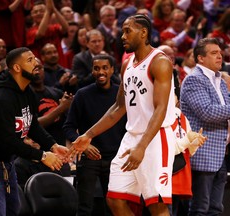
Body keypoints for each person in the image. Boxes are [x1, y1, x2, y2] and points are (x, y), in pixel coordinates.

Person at [69, 14, 178, 216]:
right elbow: (119, 107)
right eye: (122, 31)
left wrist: (142, 146)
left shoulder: (160, 62)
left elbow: (161, 109)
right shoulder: (127, 65)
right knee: (114, 200)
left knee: (156, 205)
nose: (123, 36)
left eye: (128, 31)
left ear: (143, 32)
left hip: (155, 138)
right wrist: (88, 134)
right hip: (131, 138)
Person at [0, 47, 68, 215]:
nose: (36, 63)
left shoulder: (26, 91)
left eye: (35, 58)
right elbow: (8, 141)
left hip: (6, 160)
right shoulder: (2, 100)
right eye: (30, 60)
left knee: (14, 211)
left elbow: (32, 125)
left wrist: (53, 145)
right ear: (17, 68)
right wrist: (42, 155)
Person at [63, 54, 127, 216]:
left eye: (105, 68)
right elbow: (68, 127)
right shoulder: (82, 94)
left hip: (115, 159)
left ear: (112, 70)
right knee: (84, 207)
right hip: (89, 158)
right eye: (96, 68)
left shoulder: (121, 96)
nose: (101, 72)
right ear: (92, 71)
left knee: (114, 207)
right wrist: (84, 146)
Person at [180, 37, 230, 215]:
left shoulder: (220, 80)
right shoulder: (194, 79)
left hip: (220, 152)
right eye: (214, 53)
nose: (220, 56)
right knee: (200, 208)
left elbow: (226, 109)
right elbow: (207, 112)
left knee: (216, 209)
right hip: (202, 152)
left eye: (220, 53)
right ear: (200, 58)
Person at [15, 57, 73, 188]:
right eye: (34, 68)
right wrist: (61, 108)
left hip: (57, 153)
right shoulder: (25, 96)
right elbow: (33, 125)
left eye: (40, 68)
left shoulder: (56, 92)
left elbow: (68, 124)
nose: (37, 71)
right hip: (34, 156)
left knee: (63, 195)